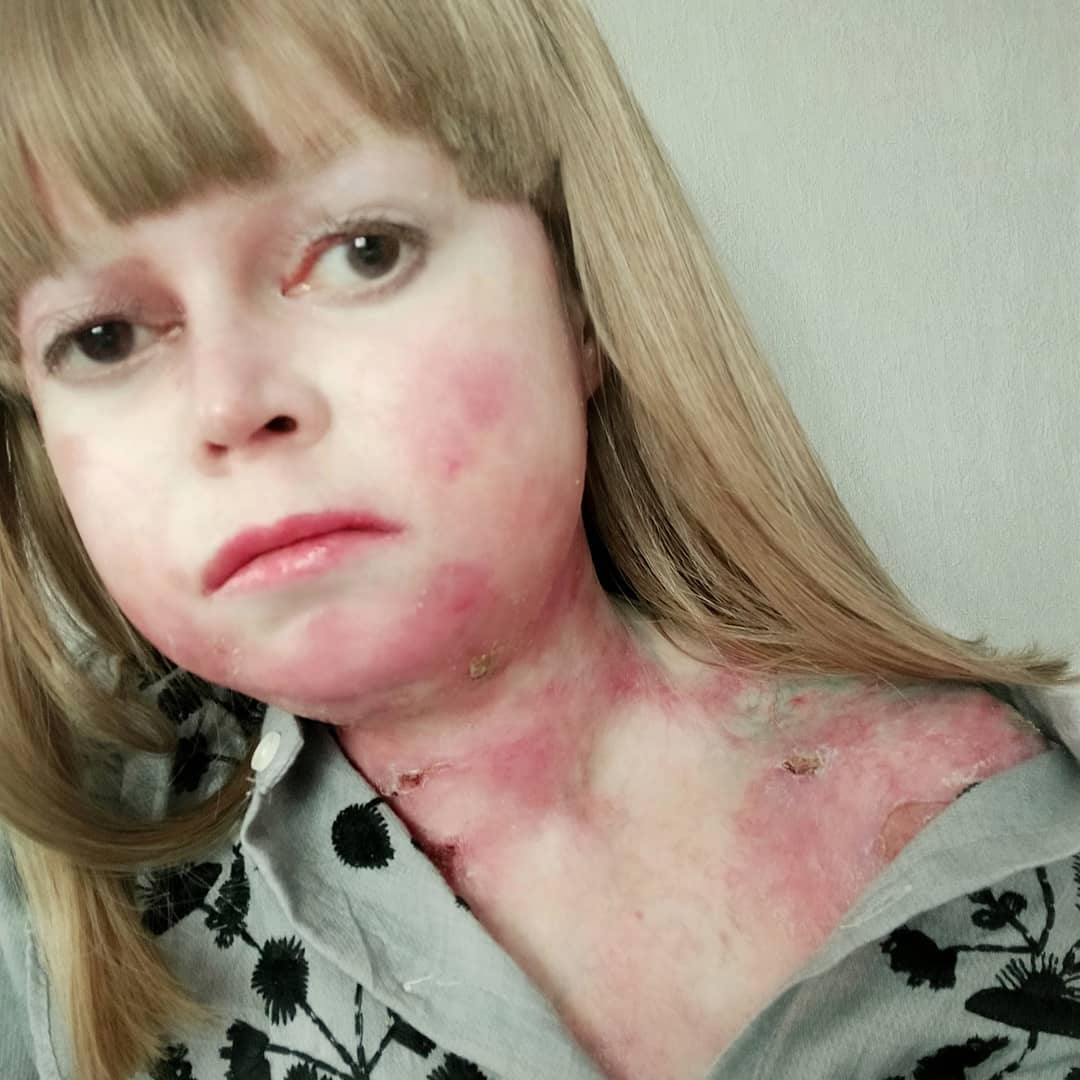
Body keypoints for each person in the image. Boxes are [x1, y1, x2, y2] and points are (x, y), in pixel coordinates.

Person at [0, 1, 1077, 1078]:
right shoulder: (68, 906)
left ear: (577, 296)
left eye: (364, 253)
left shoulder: (1029, 830)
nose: (231, 403)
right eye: (102, 337)